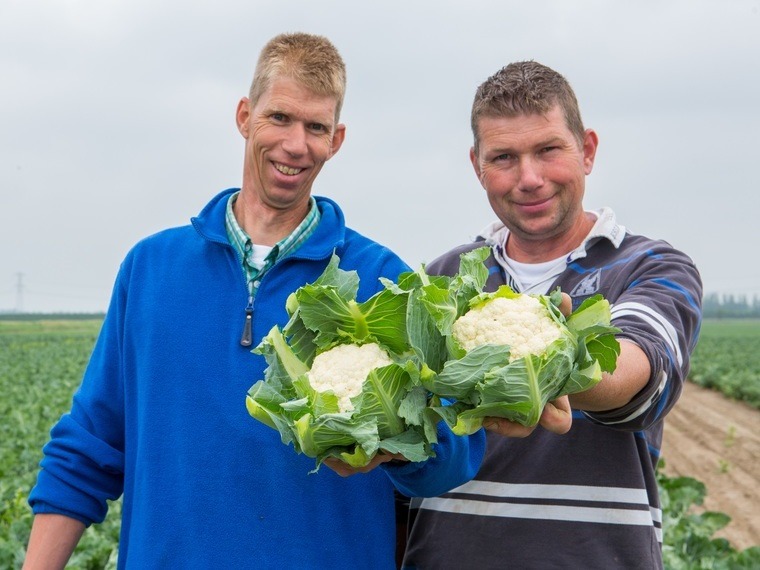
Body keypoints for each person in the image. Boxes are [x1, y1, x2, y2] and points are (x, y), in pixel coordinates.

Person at [23, 33, 489, 569]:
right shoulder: (151, 270)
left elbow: (452, 455)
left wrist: (396, 443)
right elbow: (88, 447)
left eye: (316, 127)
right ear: (245, 116)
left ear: (336, 139)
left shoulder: (383, 282)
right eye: (280, 118)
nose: (296, 144)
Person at [401, 61, 703, 569]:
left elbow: (639, 367)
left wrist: (547, 371)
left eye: (547, 150)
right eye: (504, 157)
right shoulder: (445, 277)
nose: (529, 178)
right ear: (478, 167)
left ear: (586, 150)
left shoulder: (651, 266)